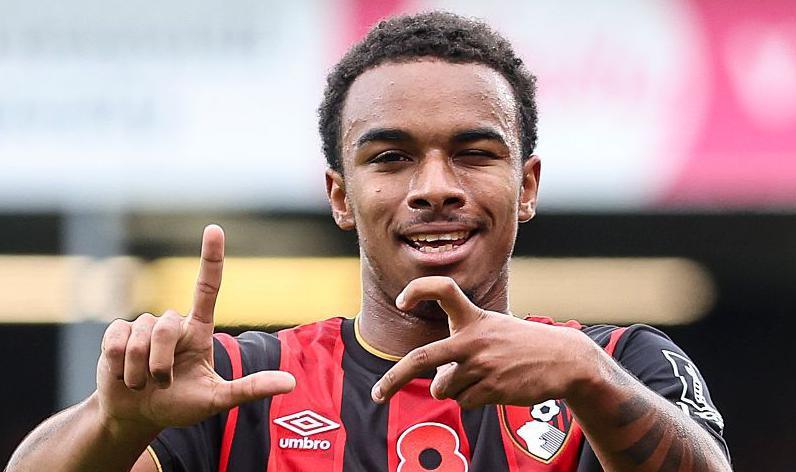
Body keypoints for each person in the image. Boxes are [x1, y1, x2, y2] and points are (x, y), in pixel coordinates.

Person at [7, 11, 731, 472]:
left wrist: (587, 378)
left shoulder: (621, 365)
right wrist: (115, 423)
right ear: (340, 197)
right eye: (391, 158)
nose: (435, 187)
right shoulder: (241, 386)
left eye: (474, 153)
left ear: (527, 185)